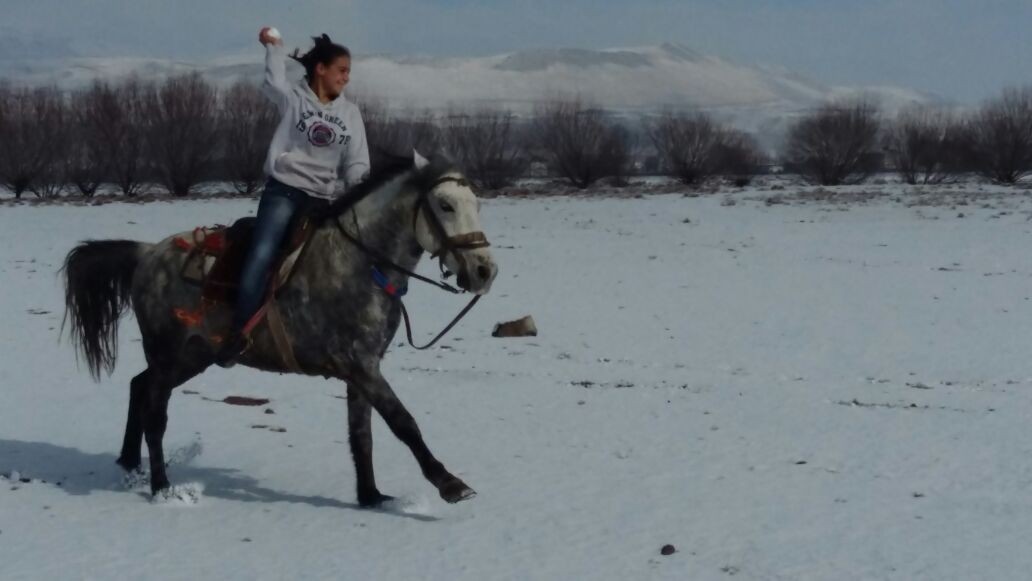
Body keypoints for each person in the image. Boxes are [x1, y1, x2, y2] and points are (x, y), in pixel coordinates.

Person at [215, 27, 370, 367]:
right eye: (341, 70)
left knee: (342, 259)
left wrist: (359, 193)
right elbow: (272, 83)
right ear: (321, 69)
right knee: (264, 252)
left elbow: (357, 162)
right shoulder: (294, 98)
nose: (346, 78)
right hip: (285, 190)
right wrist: (273, 48)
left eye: (348, 72)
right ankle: (239, 332)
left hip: (324, 199)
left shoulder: (350, 114)